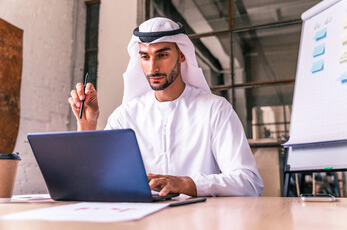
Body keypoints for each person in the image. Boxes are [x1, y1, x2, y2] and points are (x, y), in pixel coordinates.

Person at [69, 17, 263, 197]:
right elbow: (90, 182)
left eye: (162, 55)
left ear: (182, 55)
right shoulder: (125, 116)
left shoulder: (215, 110)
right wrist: (87, 125)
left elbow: (250, 182)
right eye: (145, 57)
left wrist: (187, 184)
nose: (153, 68)